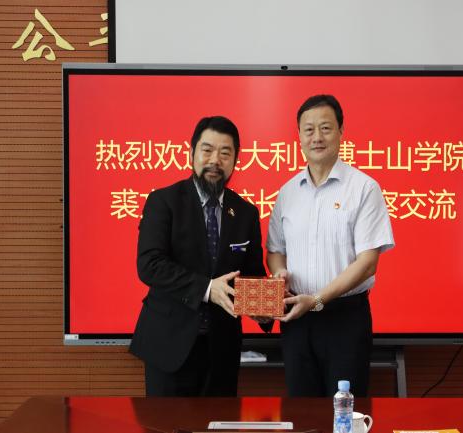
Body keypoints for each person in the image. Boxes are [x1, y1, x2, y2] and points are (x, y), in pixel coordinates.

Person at [266, 95, 394, 397]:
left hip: (344, 319)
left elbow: (367, 263)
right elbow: (275, 250)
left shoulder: (363, 188)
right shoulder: (287, 192)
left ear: (340, 131)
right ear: (299, 136)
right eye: (308, 130)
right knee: (301, 410)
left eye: (325, 128)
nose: (317, 137)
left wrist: (317, 300)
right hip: (296, 320)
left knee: (345, 411)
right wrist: (279, 273)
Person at [130, 115, 266, 396]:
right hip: (169, 345)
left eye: (225, 153)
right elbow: (150, 264)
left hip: (222, 351)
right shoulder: (163, 201)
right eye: (207, 150)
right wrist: (207, 289)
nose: (215, 160)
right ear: (191, 153)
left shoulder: (246, 213)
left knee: (219, 420)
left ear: (235, 160)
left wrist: (266, 306)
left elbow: (252, 274)